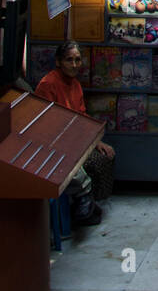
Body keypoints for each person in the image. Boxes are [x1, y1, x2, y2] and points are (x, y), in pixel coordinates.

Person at [35, 40, 115, 226]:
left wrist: (97, 142)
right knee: (74, 163)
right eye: (69, 60)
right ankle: (84, 200)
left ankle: (87, 203)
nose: (74, 65)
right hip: (54, 142)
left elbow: (81, 116)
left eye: (77, 60)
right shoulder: (48, 85)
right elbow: (47, 124)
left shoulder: (75, 84)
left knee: (105, 156)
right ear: (58, 62)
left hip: (73, 139)